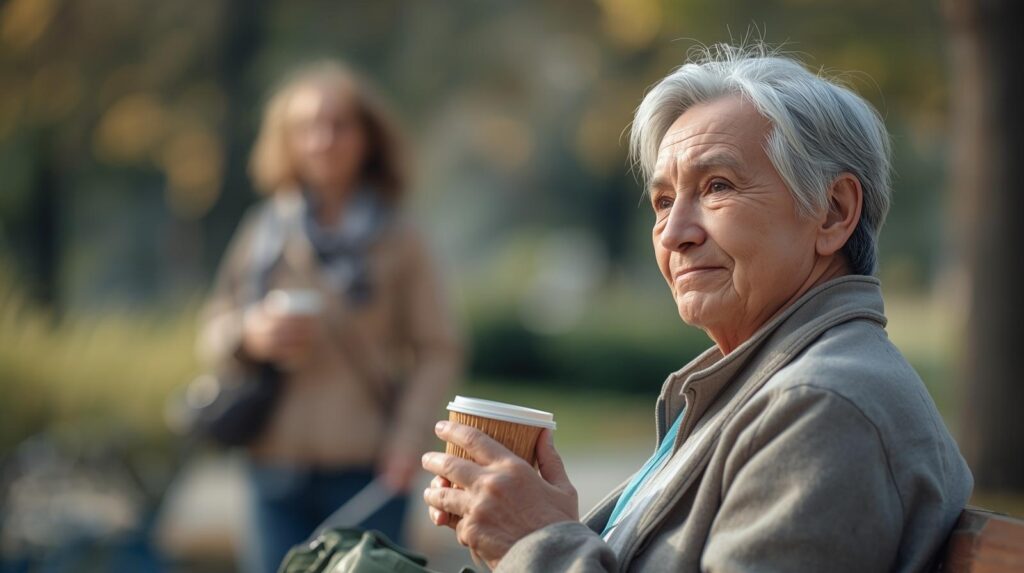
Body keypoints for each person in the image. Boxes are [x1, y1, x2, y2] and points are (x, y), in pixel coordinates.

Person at [421, 44, 973, 572]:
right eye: (663, 201)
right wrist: (537, 529)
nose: (673, 233)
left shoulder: (824, 407)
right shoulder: (758, 387)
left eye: (717, 186)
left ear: (833, 212)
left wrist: (536, 544)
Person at [197, 61, 462, 573]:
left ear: (367, 138)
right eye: (306, 127)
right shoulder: (265, 229)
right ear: (286, 141)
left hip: (368, 468)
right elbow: (214, 326)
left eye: (339, 125)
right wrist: (250, 335)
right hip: (274, 465)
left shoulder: (400, 236)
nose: (322, 140)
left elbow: (438, 348)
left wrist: (408, 440)